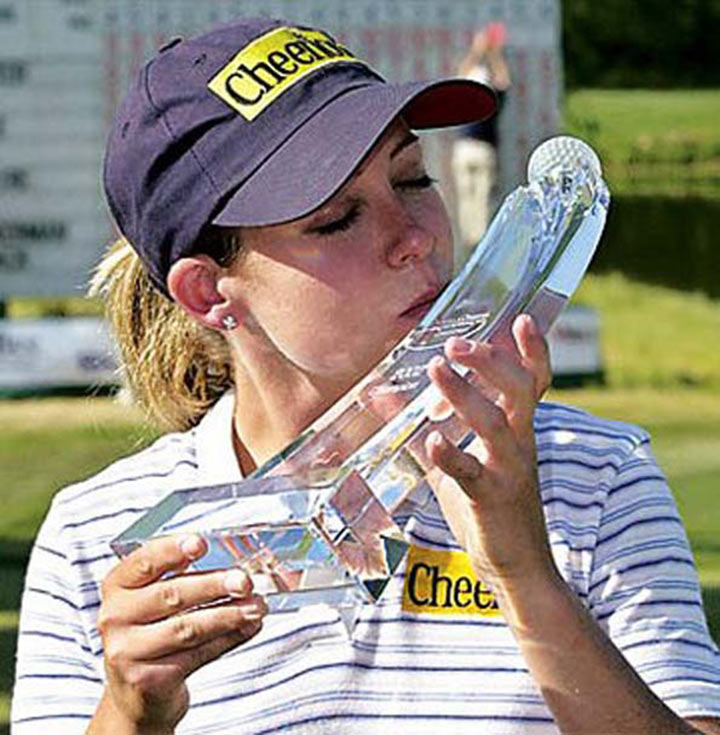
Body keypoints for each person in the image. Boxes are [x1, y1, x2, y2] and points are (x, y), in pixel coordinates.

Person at [11, 16, 720, 735]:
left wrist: (524, 574)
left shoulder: (594, 476)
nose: (416, 236)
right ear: (207, 293)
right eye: (338, 219)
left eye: (412, 178)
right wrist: (132, 711)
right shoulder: (94, 538)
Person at [452, 22, 511, 264]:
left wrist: (480, 51)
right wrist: (490, 52)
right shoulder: (492, 97)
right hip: (477, 151)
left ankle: (476, 252)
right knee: (477, 202)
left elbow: (461, 76)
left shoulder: (469, 96)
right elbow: (502, 81)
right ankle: (475, 253)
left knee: (475, 202)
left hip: (469, 150)